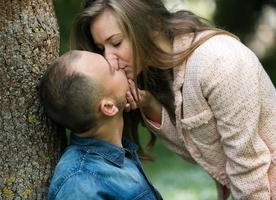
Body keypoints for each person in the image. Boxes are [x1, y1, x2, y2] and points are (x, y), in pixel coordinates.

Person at [71, 0, 276, 199]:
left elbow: (248, 167)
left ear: (152, 24)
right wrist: (150, 104)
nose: (109, 60)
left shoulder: (218, 62)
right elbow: (202, 151)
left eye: (116, 43)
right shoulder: (163, 73)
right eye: (101, 49)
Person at [39, 50, 162, 200]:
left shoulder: (115, 153)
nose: (117, 63)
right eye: (112, 70)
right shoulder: (79, 185)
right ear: (108, 107)